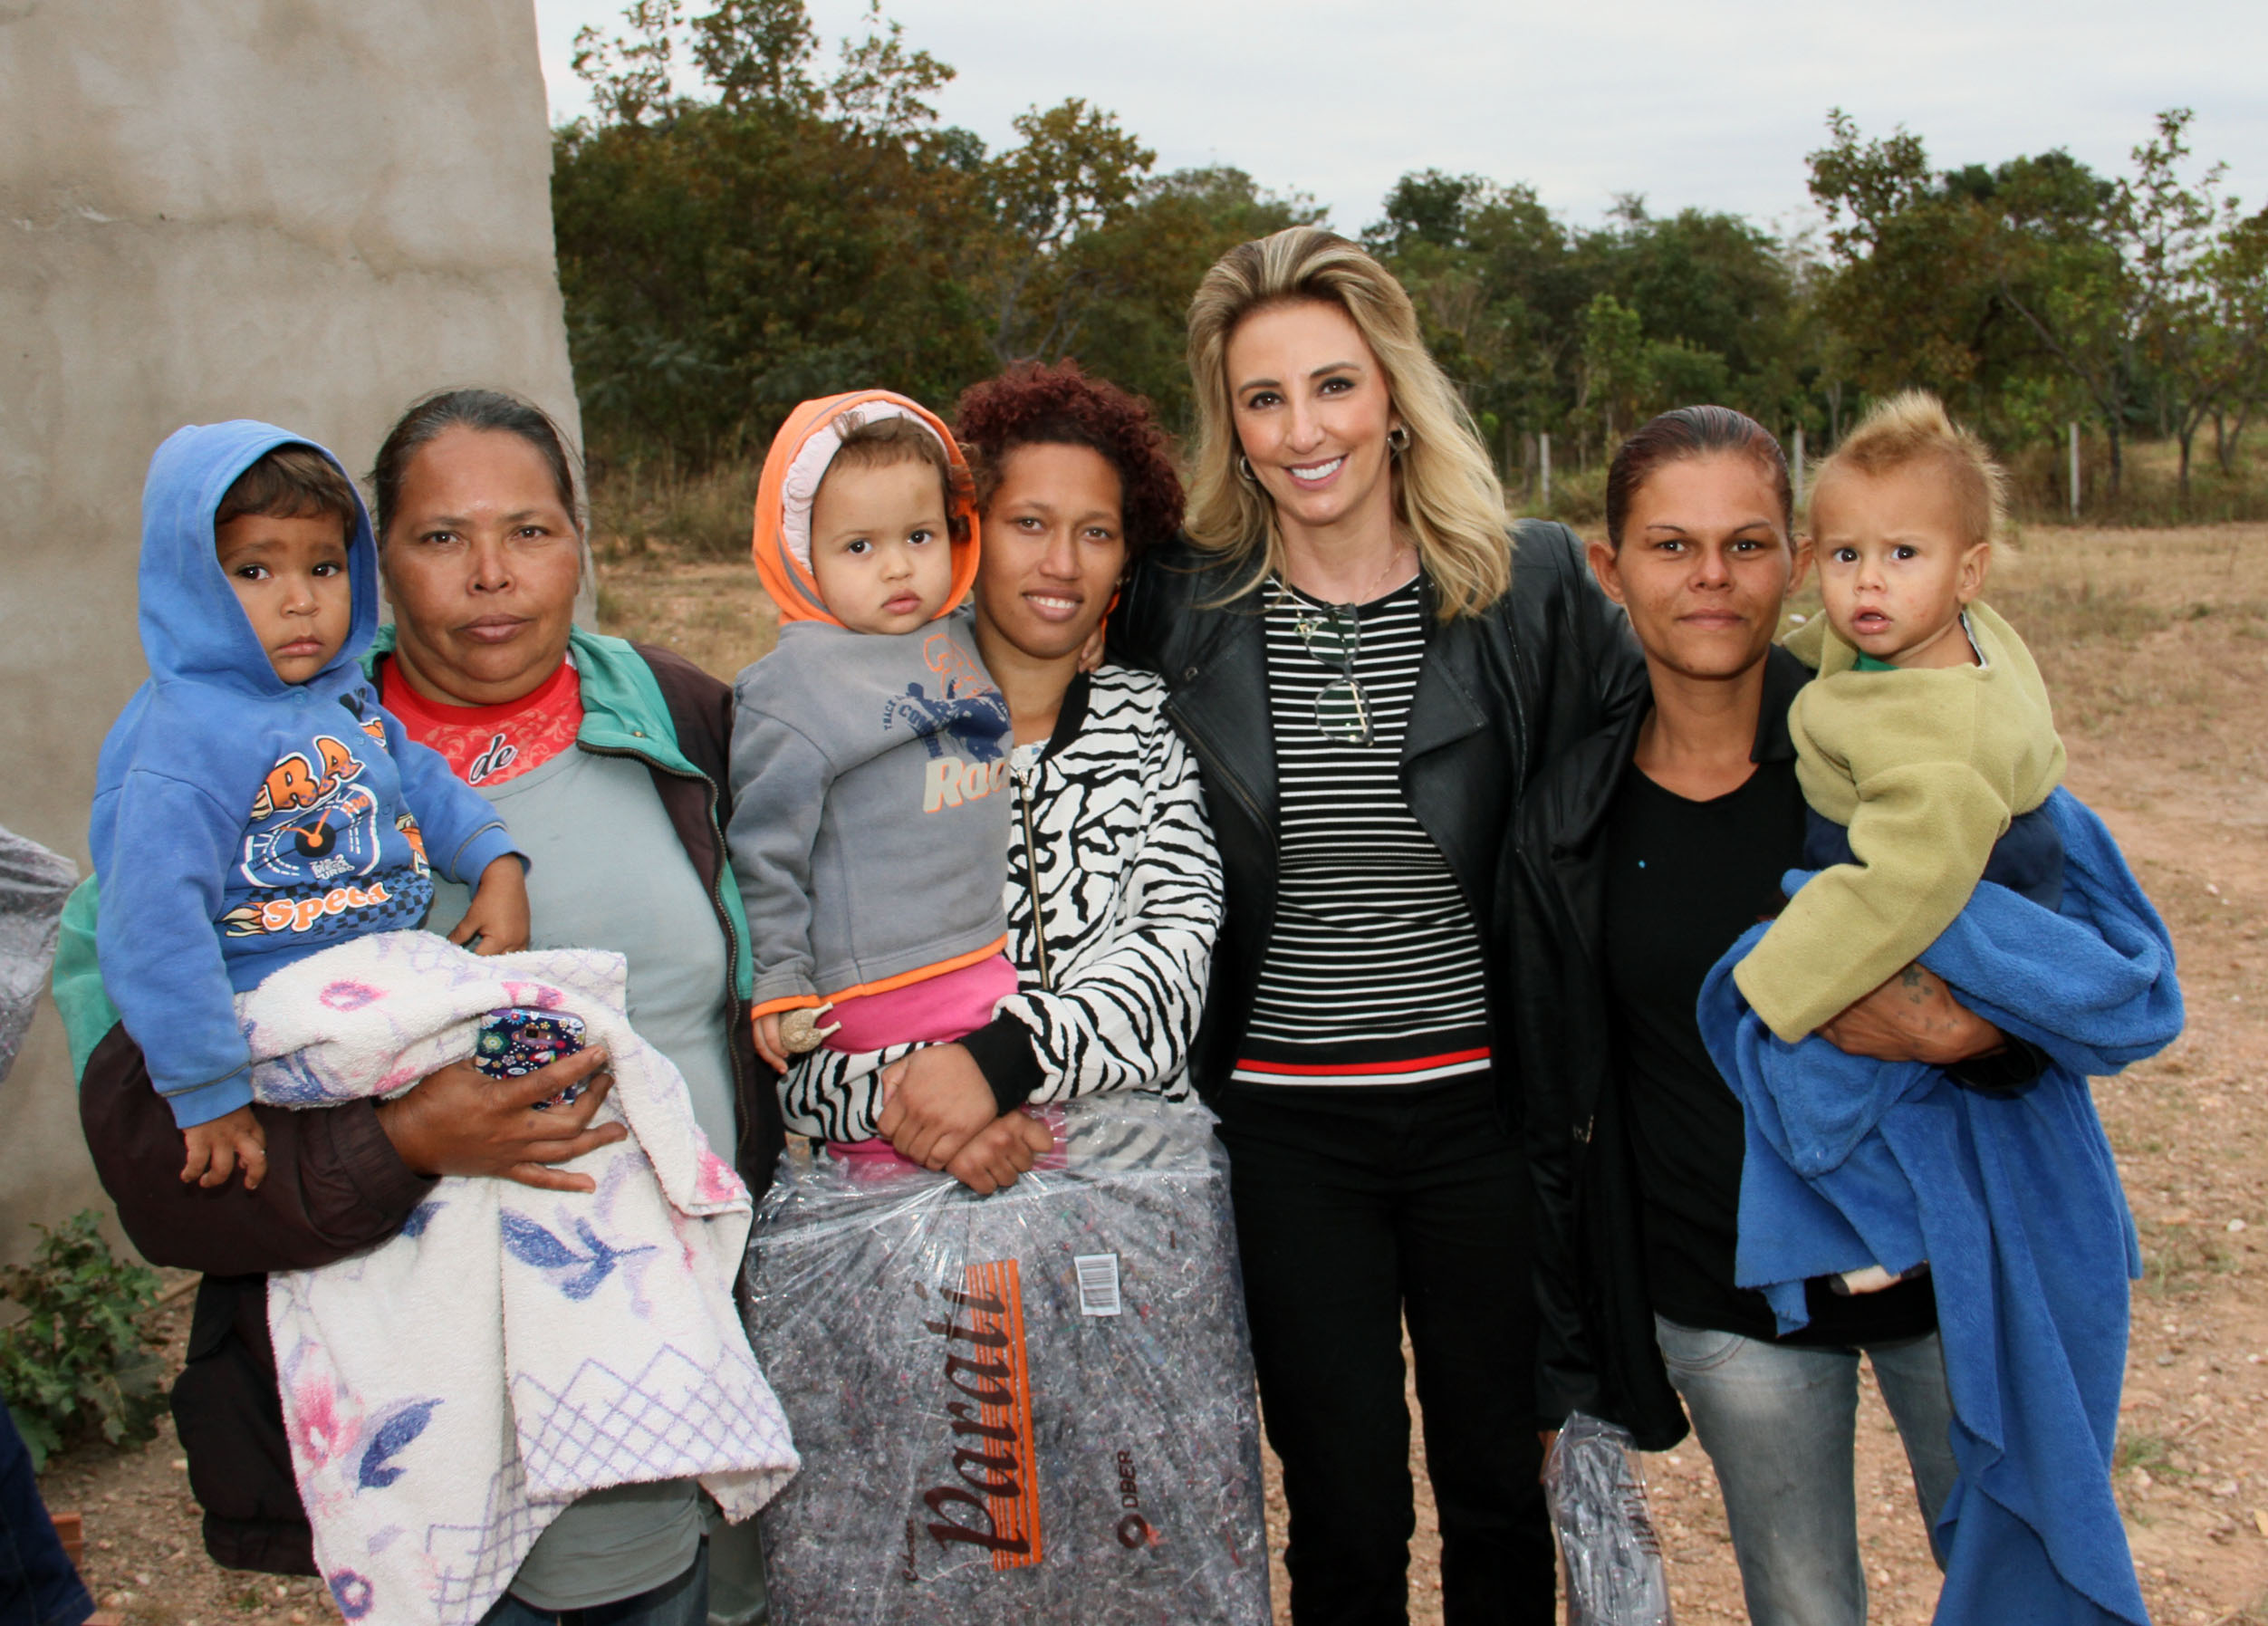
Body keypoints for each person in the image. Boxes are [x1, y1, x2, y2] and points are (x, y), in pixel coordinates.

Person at [60, 389, 783, 1625]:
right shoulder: (236, 776)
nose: (492, 575)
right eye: (443, 537)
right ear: (384, 562)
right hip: (433, 1391)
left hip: (681, 1353)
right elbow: (154, 1161)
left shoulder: (684, 721)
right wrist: (403, 1140)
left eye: (531, 530)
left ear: (581, 541)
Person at [1107, 226, 1644, 1626]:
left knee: (1498, 1497)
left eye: (1333, 384)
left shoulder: (1529, 588)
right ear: (1231, 424)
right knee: (1343, 1511)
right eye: (1264, 398)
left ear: (1393, 390)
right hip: (1286, 1135)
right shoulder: (1175, 606)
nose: (1304, 431)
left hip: (1485, 1121)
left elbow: (1674, 749)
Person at [1514, 405, 2053, 1626]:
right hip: (1723, 1286)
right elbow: (1554, 1095)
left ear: (1797, 562)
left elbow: (2074, 964)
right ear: (1609, 570)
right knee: (1802, 1599)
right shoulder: (1569, 814)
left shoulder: (1895, 749)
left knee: (2018, 1581)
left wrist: (1971, 1037)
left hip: (1941, 1269)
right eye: (1671, 545)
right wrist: (1561, 1356)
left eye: (1747, 543)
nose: (1711, 576)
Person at [781, 360, 1222, 1187]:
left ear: (1127, 559)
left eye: (1096, 533)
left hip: (1137, 1201)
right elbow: (790, 1021)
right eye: (1028, 523)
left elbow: (1175, 968)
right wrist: (920, 1113)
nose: (1062, 562)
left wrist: (999, 1065)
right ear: (967, 533)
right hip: (904, 1209)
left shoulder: (1154, 725)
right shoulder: (855, 730)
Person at [90, 427, 528, 1191]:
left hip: (383, 971)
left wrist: (495, 862)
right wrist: (206, 1088)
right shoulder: (182, 741)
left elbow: (418, 778)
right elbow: (154, 925)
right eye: (253, 570)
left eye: (324, 567)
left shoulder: (340, 695)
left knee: (565, 1040)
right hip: (275, 1002)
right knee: (525, 1070)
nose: (301, 601)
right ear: (188, 582)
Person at [731, 392, 1014, 1081]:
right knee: (904, 1140)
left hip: (984, 962)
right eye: (859, 546)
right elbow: (765, 849)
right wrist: (779, 976)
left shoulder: (965, 633)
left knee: (1022, 1134)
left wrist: (1093, 636)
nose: (897, 568)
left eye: (919, 537)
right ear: (802, 557)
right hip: (875, 991)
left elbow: (1042, 636)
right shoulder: (795, 684)